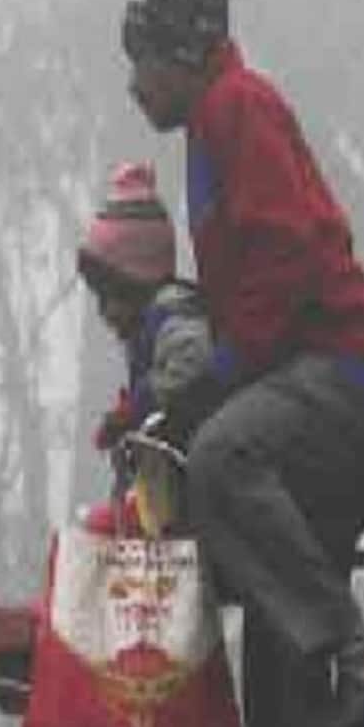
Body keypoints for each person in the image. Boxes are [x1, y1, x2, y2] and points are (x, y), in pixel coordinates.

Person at [120, 0, 364, 727]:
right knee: (280, 702)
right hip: (301, 384)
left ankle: (359, 649)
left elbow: (285, 262)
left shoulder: (237, 108)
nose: (134, 85)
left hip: (340, 372)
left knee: (222, 455)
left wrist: (222, 375)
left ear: (182, 56)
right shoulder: (210, 126)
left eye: (142, 61)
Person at [74, 160, 213, 535]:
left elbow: (193, 359)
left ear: (135, 282)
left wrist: (140, 405)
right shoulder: (147, 331)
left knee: (101, 535)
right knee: (98, 529)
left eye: (109, 297)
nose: (105, 314)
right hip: (172, 490)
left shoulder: (170, 314)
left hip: (197, 486)